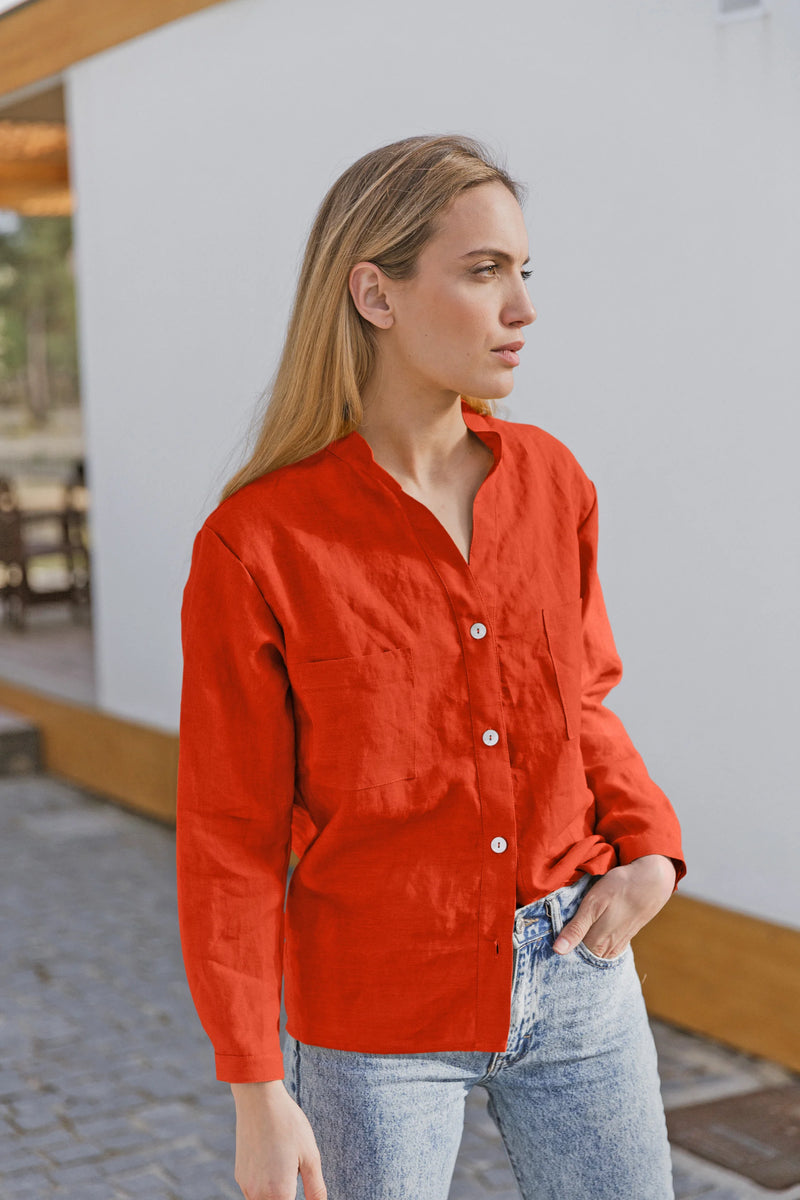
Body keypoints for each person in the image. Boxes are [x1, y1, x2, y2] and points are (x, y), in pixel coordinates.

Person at [176, 133, 686, 1200]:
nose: (522, 308)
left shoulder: (551, 482)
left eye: (523, 272)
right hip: (374, 1022)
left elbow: (581, 696)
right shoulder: (258, 542)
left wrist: (648, 849)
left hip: (579, 971)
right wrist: (255, 1089)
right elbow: (230, 831)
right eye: (481, 270)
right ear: (374, 292)